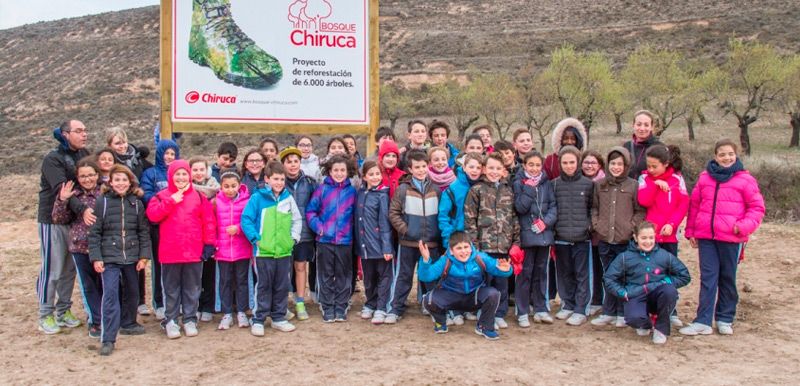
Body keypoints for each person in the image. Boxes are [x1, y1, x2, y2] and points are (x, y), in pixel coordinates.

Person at [680, 139, 765, 337]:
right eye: (722, 154)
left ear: (736, 155)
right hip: (707, 238)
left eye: (730, 154)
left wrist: (742, 227)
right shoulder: (704, 178)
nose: (726, 158)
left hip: (731, 238)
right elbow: (695, 205)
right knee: (708, 278)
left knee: (727, 278)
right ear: (715, 157)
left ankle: (725, 318)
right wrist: (691, 231)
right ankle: (703, 321)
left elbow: (757, 208)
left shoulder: (745, 180)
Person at [146, 160, 216, 339]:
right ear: (171, 176)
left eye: (184, 174)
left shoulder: (199, 196)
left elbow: (208, 221)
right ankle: (171, 320)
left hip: (193, 251)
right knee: (171, 288)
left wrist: (209, 243)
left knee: (192, 287)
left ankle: (190, 318)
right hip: (170, 252)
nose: (181, 177)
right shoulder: (162, 196)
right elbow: (153, 216)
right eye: (177, 174)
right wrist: (171, 201)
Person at [88, 165, 151, 355]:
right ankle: (108, 338)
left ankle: (129, 322)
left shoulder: (137, 203)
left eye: (124, 180)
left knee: (133, 292)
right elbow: (95, 233)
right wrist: (96, 257)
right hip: (109, 257)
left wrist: (144, 255)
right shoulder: (103, 202)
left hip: (131, 256)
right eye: (117, 180)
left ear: (130, 181)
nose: (121, 183)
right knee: (110, 296)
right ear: (111, 182)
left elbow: (143, 231)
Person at [37, 120, 90, 334]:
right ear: (66, 134)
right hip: (53, 220)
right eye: (79, 131)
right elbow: (64, 192)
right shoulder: (53, 159)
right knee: (53, 268)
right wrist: (84, 210)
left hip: (74, 220)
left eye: (85, 130)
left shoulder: (83, 154)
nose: (84, 134)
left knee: (69, 269)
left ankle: (63, 310)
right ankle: (45, 314)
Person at [604, 221, 691, 345]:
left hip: (658, 294)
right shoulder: (625, 257)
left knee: (669, 291)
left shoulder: (664, 255)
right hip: (636, 294)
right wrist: (622, 292)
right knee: (633, 319)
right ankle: (647, 324)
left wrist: (667, 281)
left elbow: (684, 276)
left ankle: (661, 328)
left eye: (651, 238)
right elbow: (609, 278)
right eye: (643, 238)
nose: (648, 241)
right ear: (635, 237)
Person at [242, 161, 302, 334]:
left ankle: (278, 317)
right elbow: (246, 219)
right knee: (264, 285)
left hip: (284, 251)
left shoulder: (288, 198)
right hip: (263, 252)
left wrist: (293, 239)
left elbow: (297, 220)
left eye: (282, 179)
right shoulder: (257, 198)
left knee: (281, 285)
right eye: (276, 179)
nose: (279, 182)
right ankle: (258, 319)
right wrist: (255, 239)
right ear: (267, 179)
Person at [418, 232, 513, 339]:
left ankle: (484, 327)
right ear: (451, 251)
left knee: (493, 294)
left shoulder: (480, 258)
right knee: (429, 300)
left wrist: (507, 270)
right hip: (451, 297)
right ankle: (440, 322)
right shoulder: (445, 261)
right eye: (459, 248)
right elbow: (426, 277)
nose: (464, 251)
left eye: (466, 247)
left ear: (471, 247)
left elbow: (499, 270)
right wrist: (425, 260)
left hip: (473, 297)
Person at [590, 147, 646, 328]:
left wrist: (631, 228)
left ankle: (622, 312)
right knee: (608, 276)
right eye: (613, 163)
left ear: (626, 165)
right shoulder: (600, 185)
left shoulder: (633, 185)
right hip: (606, 238)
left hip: (624, 240)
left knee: (624, 277)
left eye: (620, 164)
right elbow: (594, 208)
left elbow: (639, 211)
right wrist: (597, 225)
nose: (616, 167)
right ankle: (608, 311)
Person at [464, 152, 519, 329]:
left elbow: (514, 217)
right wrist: (475, 244)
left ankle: (500, 312)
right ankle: (484, 311)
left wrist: (516, 242)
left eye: (498, 168)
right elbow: (470, 219)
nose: (494, 172)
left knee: (501, 282)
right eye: (491, 168)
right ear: (484, 169)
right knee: (485, 281)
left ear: (503, 170)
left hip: (503, 246)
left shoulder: (508, 191)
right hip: (484, 247)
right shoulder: (476, 190)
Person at [387, 150, 441, 324]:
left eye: (424, 166)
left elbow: (442, 214)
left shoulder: (436, 190)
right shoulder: (403, 190)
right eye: (417, 167)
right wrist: (406, 230)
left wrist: (436, 234)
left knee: (430, 277)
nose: (421, 170)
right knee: (404, 276)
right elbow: (393, 213)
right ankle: (396, 308)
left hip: (430, 243)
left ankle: (431, 306)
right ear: (410, 169)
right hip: (408, 242)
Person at [51, 158, 103, 338]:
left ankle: (108, 317)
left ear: (97, 174)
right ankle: (96, 321)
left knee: (106, 284)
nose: (87, 179)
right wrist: (61, 200)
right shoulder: (74, 195)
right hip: (81, 246)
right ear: (77, 178)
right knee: (88, 286)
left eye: (90, 175)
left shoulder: (106, 191)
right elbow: (59, 219)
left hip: (105, 247)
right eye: (83, 176)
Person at [305, 155, 357, 322]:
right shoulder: (322, 190)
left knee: (343, 274)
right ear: (329, 171)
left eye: (343, 170)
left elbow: (356, 215)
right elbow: (311, 212)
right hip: (324, 240)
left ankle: (341, 306)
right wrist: (320, 228)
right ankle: (327, 306)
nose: (339, 173)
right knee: (325, 274)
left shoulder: (352, 191)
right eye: (336, 170)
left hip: (345, 240)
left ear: (348, 171)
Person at [107, 127, 152, 315]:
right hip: (114, 210)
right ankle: (118, 299)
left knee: (136, 257)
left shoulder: (138, 159)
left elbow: (151, 172)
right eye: (117, 143)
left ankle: (139, 299)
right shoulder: (108, 161)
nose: (122, 146)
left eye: (123, 142)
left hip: (136, 207)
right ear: (110, 145)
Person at [512, 150, 557, 326]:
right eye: (531, 165)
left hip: (544, 235)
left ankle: (540, 308)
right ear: (524, 165)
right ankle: (522, 311)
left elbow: (553, 206)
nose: (535, 168)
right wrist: (529, 188)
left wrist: (545, 222)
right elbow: (520, 207)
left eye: (538, 165)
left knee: (541, 273)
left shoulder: (547, 183)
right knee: (525, 274)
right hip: (526, 236)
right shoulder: (518, 182)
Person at [552, 145, 594, 326]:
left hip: (581, 238)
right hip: (561, 237)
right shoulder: (554, 184)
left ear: (578, 163)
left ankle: (580, 308)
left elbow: (593, 208)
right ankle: (567, 304)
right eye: (565, 162)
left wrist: (589, 227)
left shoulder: (588, 184)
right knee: (564, 273)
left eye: (572, 162)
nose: (569, 166)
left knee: (582, 275)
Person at [140, 139, 180, 320]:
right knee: (159, 265)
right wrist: (164, 200)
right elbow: (146, 194)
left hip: (177, 225)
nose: (169, 157)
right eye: (166, 153)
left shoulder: (179, 173)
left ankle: (175, 301)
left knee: (176, 266)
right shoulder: (151, 173)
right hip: (157, 225)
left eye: (173, 154)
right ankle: (159, 302)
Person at [280, 146, 318, 321]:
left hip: (304, 233)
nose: (293, 165)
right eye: (289, 162)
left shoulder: (309, 182)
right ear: (283, 164)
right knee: (283, 270)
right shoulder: (278, 182)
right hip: (282, 234)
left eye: (296, 161)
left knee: (300, 267)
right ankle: (282, 303)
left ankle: (300, 301)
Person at [355, 161, 394, 324]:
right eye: (371, 174)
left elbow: (385, 223)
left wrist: (387, 246)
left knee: (383, 277)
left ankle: (381, 307)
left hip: (379, 244)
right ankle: (370, 303)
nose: (375, 177)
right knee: (368, 277)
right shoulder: (361, 193)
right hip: (364, 245)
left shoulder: (383, 195)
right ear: (364, 176)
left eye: (377, 173)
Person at [213, 170, 252, 330]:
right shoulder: (216, 202)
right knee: (225, 282)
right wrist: (215, 243)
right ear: (221, 187)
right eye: (226, 186)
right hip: (222, 251)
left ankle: (242, 311)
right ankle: (227, 313)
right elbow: (211, 224)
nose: (230, 189)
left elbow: (251, 221)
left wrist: (238, 228)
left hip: (241, 249)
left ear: (239, 185)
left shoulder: (247, 201)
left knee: (242, 281)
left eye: (233, 186)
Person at [189, 157, 220, 322]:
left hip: (212, 235)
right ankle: (194, 305)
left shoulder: (216, 189)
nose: (199, 173)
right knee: (193, 275)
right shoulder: (186, 190)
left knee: (209, 272)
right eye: (195, 170)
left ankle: (208, 305)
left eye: (201, 169)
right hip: (193, 236)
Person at [581, 149, 606, 315]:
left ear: (600, 165)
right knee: (589, 268)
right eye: (586, 162)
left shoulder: (603, 182)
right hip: (584, 232)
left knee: (601, 267)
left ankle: (601, 299)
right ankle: (593, 299)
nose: (589, 166)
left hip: (600, 231)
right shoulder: (581, 182)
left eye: (593, 163)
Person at [624, 110, 663, 179]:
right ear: (633, 125)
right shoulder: (626, 146)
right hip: (629, 189)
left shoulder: (659, 147)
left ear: (651, 127)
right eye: (639, 124)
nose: (642, 128)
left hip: (650, 188)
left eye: (646, 125)